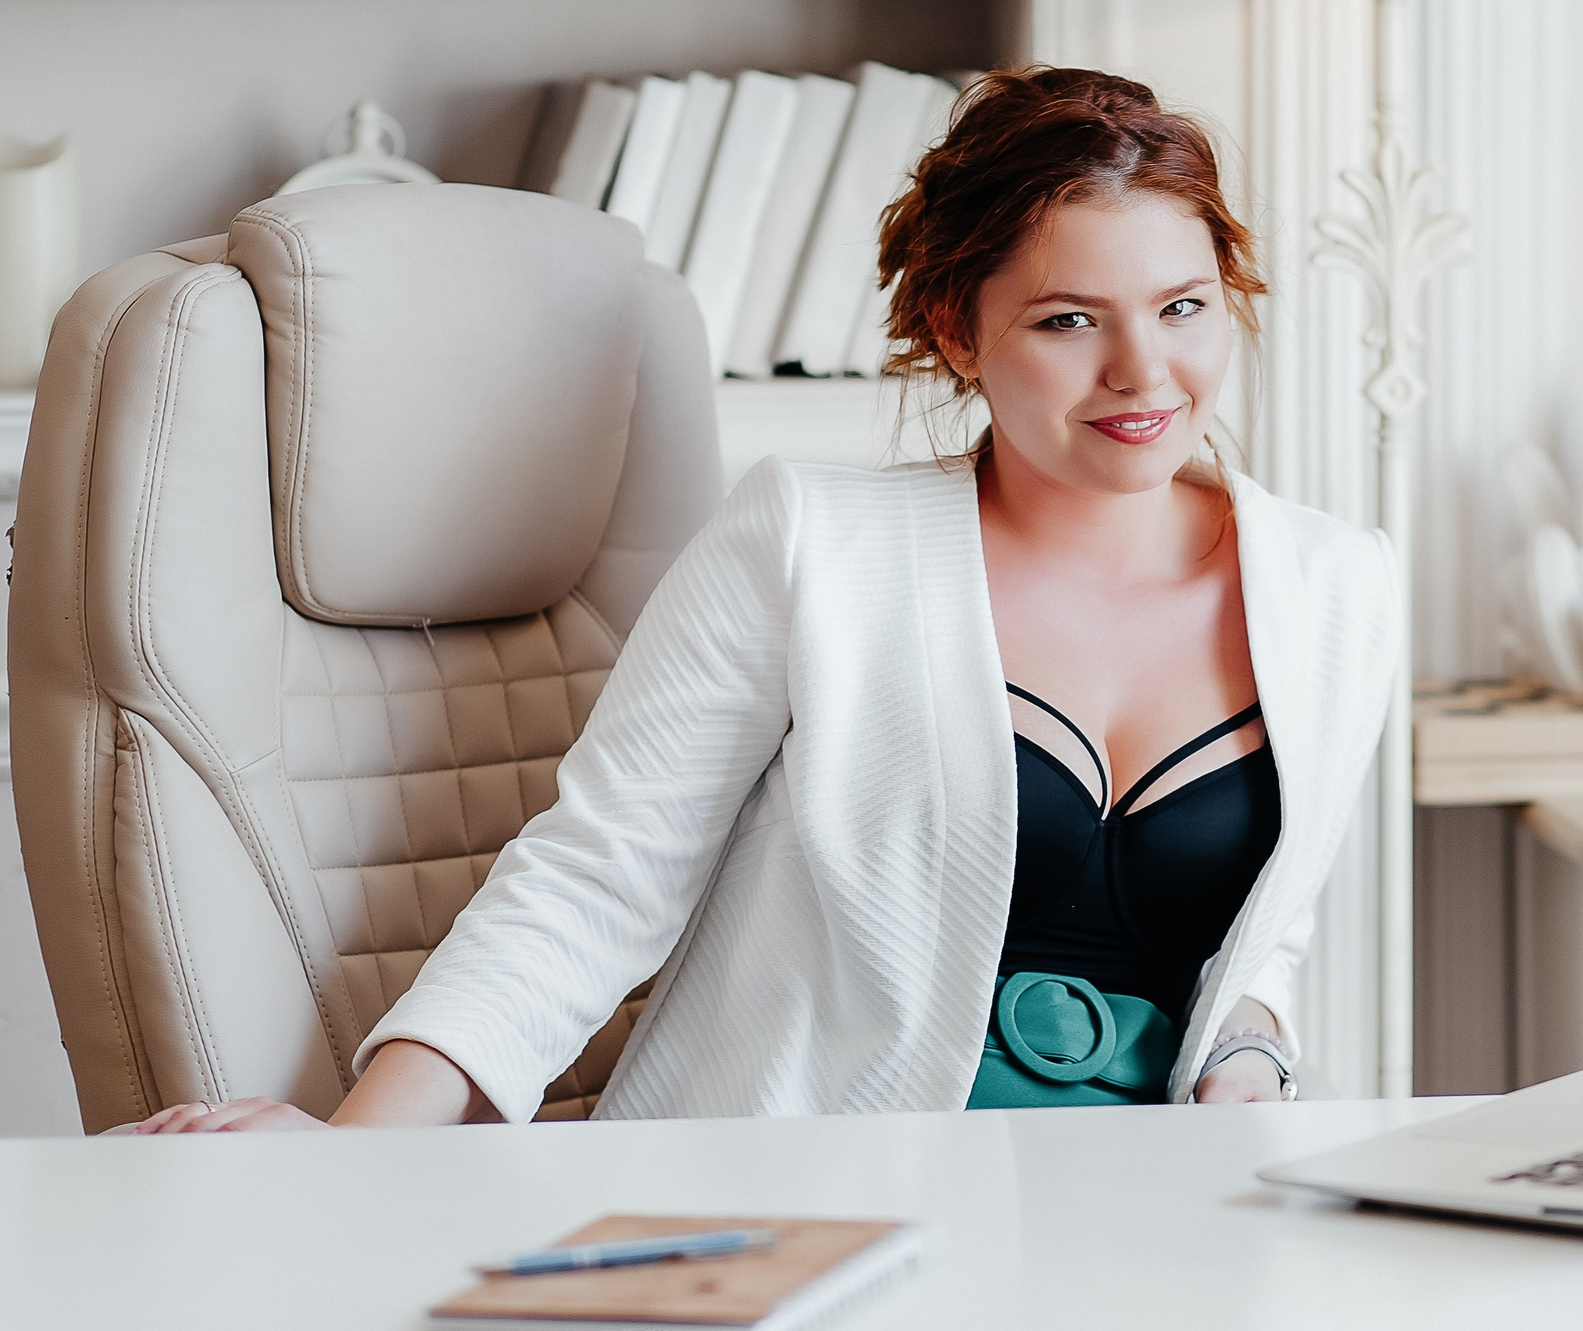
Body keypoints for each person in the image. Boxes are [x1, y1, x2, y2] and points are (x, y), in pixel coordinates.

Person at [133, 66, 1398, 1133]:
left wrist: (1248, 1059)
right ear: (957, 331)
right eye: (1069, 319)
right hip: (830, 1196)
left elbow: (1254, 938)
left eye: (1183, 307)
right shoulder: (812, 544)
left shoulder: (1334, 588)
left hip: (1166, 1207)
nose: (1143, 372)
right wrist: (347, 1154)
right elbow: (598, 877)